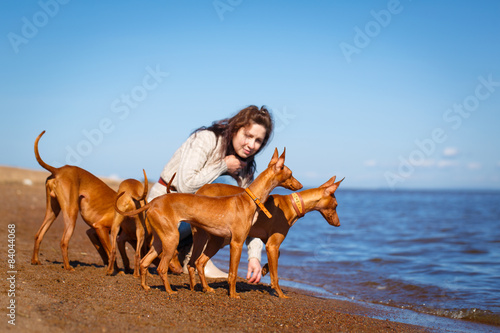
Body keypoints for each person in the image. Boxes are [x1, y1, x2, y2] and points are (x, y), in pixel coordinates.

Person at [147, 105, 273, 283]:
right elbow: (185, 185)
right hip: (166, 208)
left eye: (258, 140)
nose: (252, 145)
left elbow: (250, 215)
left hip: (193, 221)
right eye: (248, 135)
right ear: (236, 127)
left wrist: (254, 257)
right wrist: (223, 165)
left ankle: (189, 255)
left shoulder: (245, 168)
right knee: (228, 188)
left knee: (240, 209)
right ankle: (184, 254)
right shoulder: (206, 139)